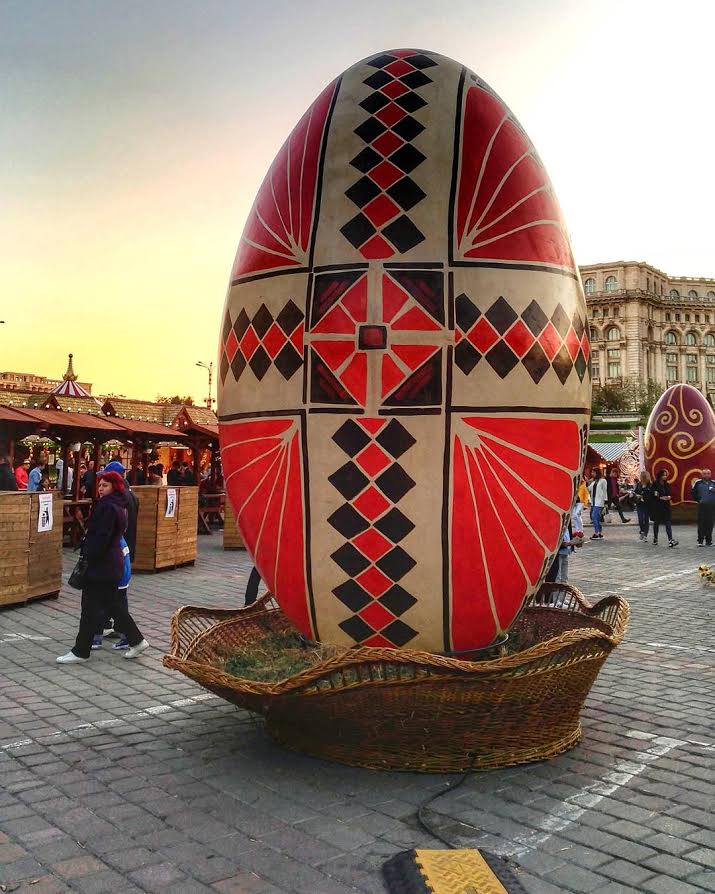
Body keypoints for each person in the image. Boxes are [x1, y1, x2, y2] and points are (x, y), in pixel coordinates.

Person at [56, 470, 149, 663]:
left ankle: (81, 651)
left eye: (105, 485)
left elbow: (102, 537)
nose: (100, 489)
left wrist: (89, 554)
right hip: (110, 563)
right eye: (99, 485)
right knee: (112, 604)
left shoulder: (109, 506)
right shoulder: (118, 504)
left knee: (91, 607)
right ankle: (136, 640)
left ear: (114, 486)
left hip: (102, 564)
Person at [96, 461, 139, 649]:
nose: (100, 487)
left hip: (116, 554)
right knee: (116, 596)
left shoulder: (116, 503)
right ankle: (116, 630)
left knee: (113, 597)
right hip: (123, 551)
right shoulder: (129, 497)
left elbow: (107, 533)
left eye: (105, 483)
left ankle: (126, 635)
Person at [650, 469, 678, 547]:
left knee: (668, 522)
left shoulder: (667, 484)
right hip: (658, 506)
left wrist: (669, 497)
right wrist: (660, 498)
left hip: (666, 506)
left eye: (666, 475)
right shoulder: (655, 484)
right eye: (663, 475)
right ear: (660, 476)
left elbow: (669, 493)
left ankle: (670, 540)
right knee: (656, 523)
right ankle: (655, 539)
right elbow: (654, 494)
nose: (665, 477)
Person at [691, 468, 715, 547]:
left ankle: (709, 541)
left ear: (710, 474)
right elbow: (693, 493)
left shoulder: (713, 483)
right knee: (701, 523)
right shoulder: (698, 483)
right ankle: (700, 541)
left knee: (710, 523)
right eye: (705, 474)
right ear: (702, 475)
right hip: (702, 506)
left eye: (708, 473)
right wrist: (698, 499)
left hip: (712, 506)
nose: (707, 475)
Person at [633, 470, 653, 542]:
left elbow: (651, 494)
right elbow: (635, 492)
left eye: (643, 476)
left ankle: (645, 535)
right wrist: (635, 495)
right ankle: (642, 531)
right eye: (641, 476)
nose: (642, 478)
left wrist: (643, 496)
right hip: (640, 504)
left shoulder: (650, 485)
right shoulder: (639, 484)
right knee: (640, 519)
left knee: (646, 520)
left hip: (647, 504)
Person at [588, 468, 608, 539]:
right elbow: (588, 489)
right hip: (594, 501)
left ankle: (597, 533)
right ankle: (599, 532)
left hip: (599, 502)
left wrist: (605, 501)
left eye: (593, 472)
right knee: (595, 517)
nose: (592, 474)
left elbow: (605, 491)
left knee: (594, 516)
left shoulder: (603, 481)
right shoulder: (593, 482)